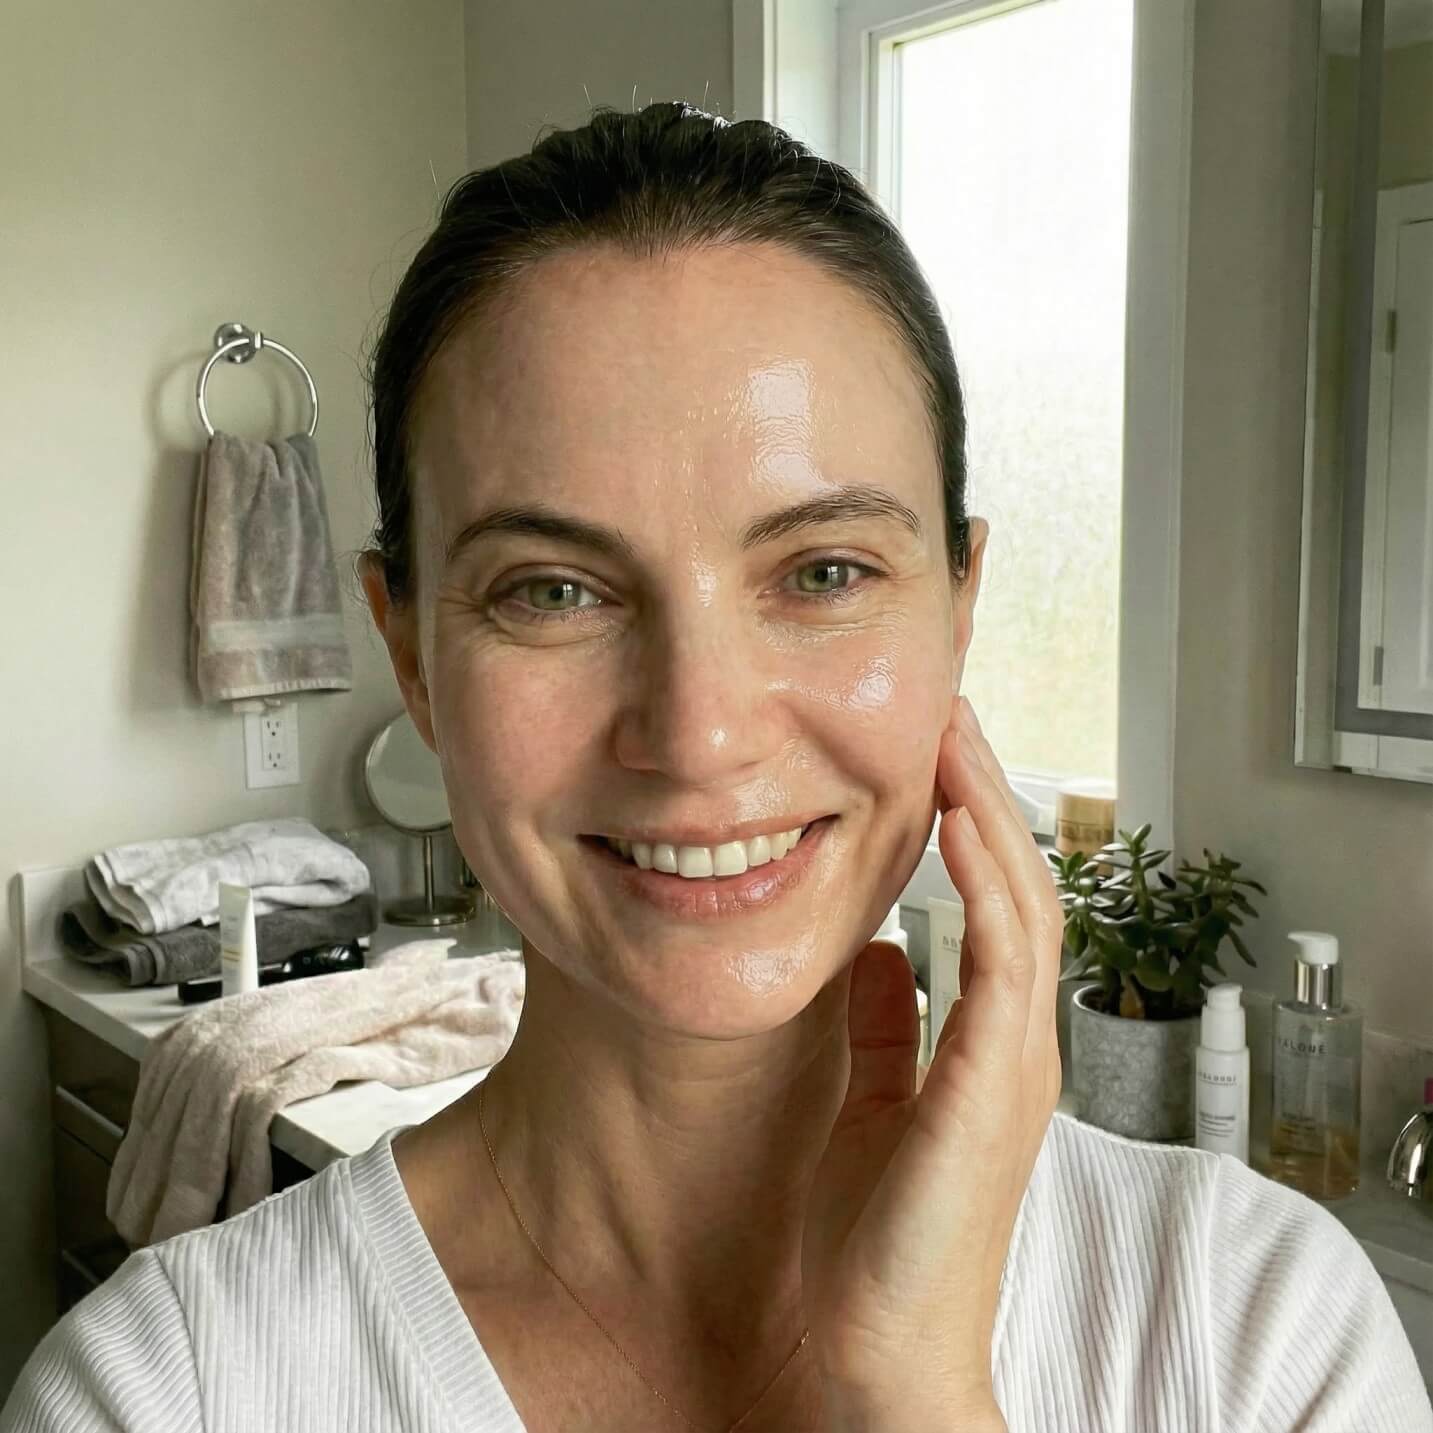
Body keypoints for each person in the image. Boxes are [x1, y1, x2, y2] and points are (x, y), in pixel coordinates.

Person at [5, 101, 1429, 1433]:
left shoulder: (1255, 1332)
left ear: (959, 604)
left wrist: (918, 1391)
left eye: (820, 568)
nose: (698, 734)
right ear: (412, 654)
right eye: (552, 590)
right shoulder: (169, 1392)